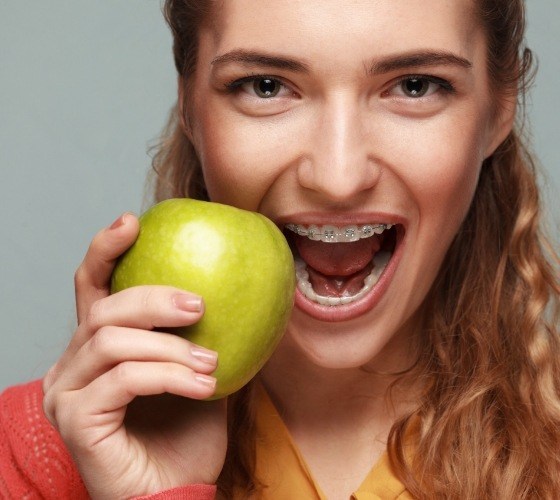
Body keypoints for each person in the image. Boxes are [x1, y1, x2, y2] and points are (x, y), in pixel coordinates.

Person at [1, 0, 559, 498]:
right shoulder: (21, 466)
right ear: (191, 105)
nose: (338, 177)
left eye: (415, 85)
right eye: (266, 85)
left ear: (498, 110)